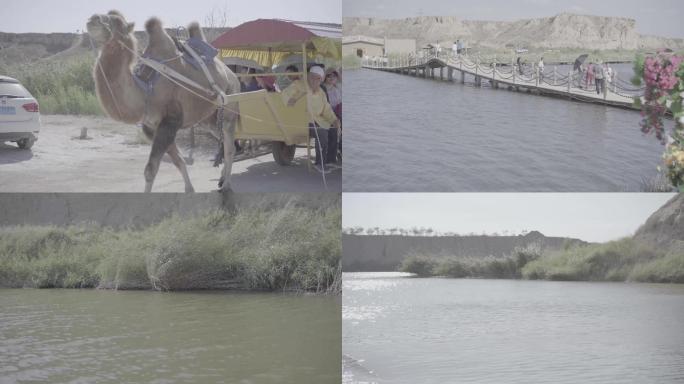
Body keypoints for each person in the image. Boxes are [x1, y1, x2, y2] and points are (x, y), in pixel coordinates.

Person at [282, 65, 341, 172]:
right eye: (312, 77)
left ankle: (330, 160)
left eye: (318, 78)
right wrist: (289, 99)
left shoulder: (321, 92)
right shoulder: (299, 85)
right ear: (308, 77)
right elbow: (285, 93)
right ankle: (319, 163)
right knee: (322, 132)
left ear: (321, 80)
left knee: (334, 129)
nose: (315, 80)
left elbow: (326, 109)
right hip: (303, 121)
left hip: (318, 120)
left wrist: (334, 120)